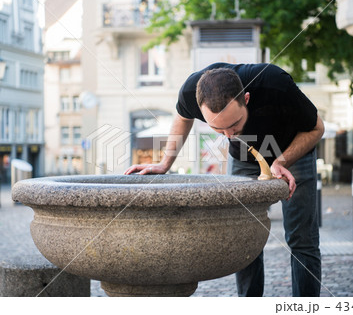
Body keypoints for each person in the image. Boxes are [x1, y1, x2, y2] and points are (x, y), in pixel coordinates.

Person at [124, 62, 325, 297]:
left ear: (246, 99)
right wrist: (164, 164)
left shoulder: (275, 83)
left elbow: (317, 128)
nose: (229, 135)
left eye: (234, 124)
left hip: (293, 152)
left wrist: (280, 162)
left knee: (302, 239)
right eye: (218, 130)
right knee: (246, 239)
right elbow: (182, 117)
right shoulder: (191, 91)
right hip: (244, 160)